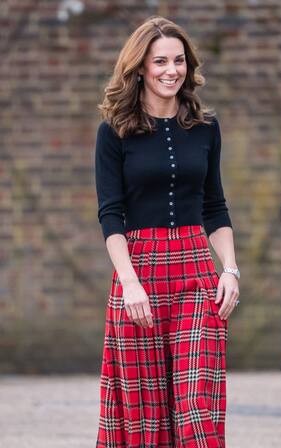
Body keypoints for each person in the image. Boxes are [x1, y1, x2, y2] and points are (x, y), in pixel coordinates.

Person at [94, 15, 240, 448]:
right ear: (140, 67)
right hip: (138, 271)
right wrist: (129, 282)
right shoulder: (114, 132)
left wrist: (229, 269)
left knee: (197, 402)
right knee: (146, 412)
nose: (170, 70)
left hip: (196, 271)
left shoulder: (206, 128)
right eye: (160, 61)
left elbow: (214, 206)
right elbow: (111, 214)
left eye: (178, 61)